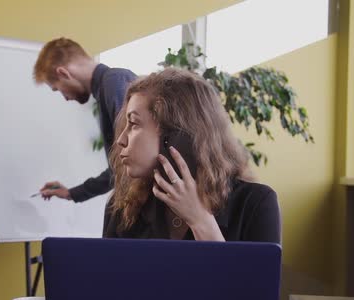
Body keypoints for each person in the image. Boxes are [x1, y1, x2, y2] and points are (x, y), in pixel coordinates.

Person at [104, 68, 281, 243]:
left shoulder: (256, 204)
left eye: (134, 123)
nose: (120, 139)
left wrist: (200, 221)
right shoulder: (123, 208)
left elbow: (253, 273)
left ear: (177, 135)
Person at [33, 37, 137, 202]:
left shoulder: (114, 82)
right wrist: (71, 193)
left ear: (63, 73)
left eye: (57, 89)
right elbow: (119, 168)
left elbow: (135, 157)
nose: (65, 98)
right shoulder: (107, 88)